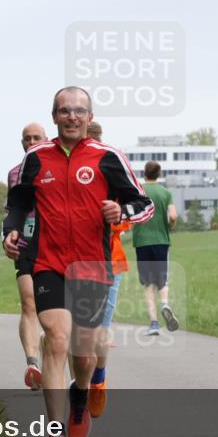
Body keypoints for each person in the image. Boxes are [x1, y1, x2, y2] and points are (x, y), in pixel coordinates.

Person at [3, 87, 154, 437]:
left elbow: (143, 204)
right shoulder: (36, 159)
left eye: (79, 111)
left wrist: (122, 213)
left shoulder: (108, 157)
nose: (72, 117)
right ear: (54, 116)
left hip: (92, 266)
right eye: (65, 111)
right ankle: (55, 436)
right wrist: (10, 231)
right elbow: (18, 204)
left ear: (90, 117)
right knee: (55, 338)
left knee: (84, 354)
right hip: (48, 262)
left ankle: (80, 395)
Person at [85, 120, 130, 418]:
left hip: (107, 261)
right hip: (67, 261)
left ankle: (98, 379)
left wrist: (113, 216)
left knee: (99, 329)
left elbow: (125, 222)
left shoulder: (112, 175)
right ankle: (77, 387)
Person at [7, 122, 49, 390]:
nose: (31, 142)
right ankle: (33, 363)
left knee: (56, 313)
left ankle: (52, 356)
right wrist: (8, 234)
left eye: (37, 138)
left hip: (56, 244)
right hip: (26, 243)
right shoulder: (14, 174)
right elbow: (12, 210)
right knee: (29, 304)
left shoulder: (57, 169)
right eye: (26, 139)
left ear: (46, 140)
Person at [132, 161, 180, 335]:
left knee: (148, 283)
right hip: (161, 240)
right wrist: (169, 226)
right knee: (162, 280)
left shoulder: (138, 191)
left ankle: (153, 324)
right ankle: (165, 304)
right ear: (158, 175)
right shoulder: (165, 192)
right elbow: (173, 215)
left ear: (144, 174)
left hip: (142, 241)